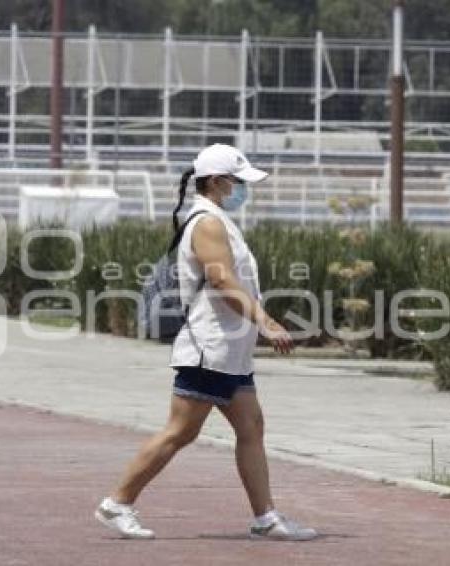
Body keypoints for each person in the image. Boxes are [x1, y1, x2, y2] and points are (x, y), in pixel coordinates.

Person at [95, 143, 317, 541]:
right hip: (209, 350)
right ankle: (117, 503)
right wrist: (265, 322)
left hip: (230, 354)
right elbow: (221, 280)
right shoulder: (208, 223)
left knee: (251, 426)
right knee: (180, 432)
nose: (244, 190)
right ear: (217, 182)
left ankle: (266, 517)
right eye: (239, 182)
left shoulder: (215, 219)